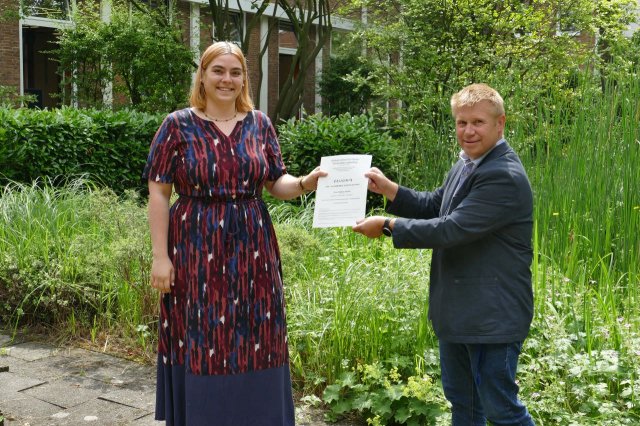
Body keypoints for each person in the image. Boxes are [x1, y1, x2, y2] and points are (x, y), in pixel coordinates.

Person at [143, 41, 326, 426]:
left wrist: (305, 183)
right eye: (218, 71)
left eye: (235, 72)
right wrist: (160, 257)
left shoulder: (259, 124)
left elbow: (276, 182)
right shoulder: (177, 125)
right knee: (204, 332)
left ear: (244, 79)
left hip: (252, 249)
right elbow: (158, 193)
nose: (226, 79)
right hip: (195, 247)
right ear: (203, 76)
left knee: (258, 330)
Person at [353, 83, 535, 425]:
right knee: (464, 405)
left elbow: (451, 229)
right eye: (461, 122)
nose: (468, 131)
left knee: (502, 409)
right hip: (461, 313)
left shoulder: (503, 176)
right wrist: (391, 190)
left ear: (500, 123)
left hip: (492, 318)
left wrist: (389, 226)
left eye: (478, 122)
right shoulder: (468, 163)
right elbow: (436, 205)